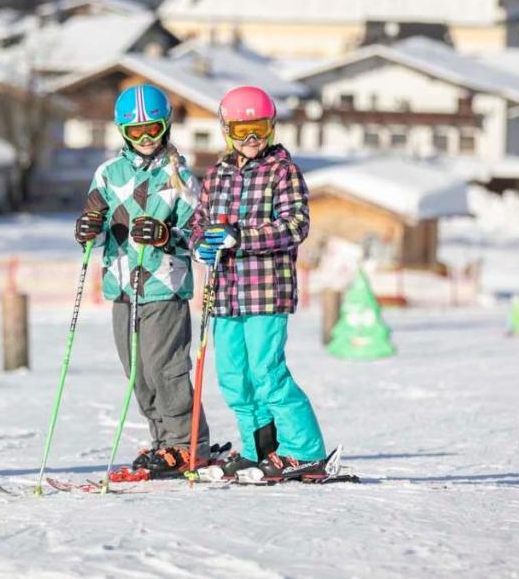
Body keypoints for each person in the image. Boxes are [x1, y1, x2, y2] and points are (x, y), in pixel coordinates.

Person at [191, 85, 330, 482]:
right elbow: (199, 223)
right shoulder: (216, 175)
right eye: (241, 131)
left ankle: (305, 451)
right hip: (224, 292)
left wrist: (241, 237)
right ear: (226, 131)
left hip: (266, 290)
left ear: (271, 128)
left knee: (267, 372)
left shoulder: (282, 172)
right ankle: (259, 451)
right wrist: (202, 243)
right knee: (234, 378)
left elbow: (295, 225)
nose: (251, 140)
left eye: (259, 130)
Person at [73, 83, 209, 477]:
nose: (146, 138)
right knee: (138, 371)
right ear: (122, 132)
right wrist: (87, 230)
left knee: (165, 368)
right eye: (136, 132)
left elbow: (198, 238)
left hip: (164, 285)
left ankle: (187, 444)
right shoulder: (108, 174)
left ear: (166, 127)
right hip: (122, 285)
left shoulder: (179, 176)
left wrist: (167, 236)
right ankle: (163, 441)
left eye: (153, 129)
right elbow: (99, 230)